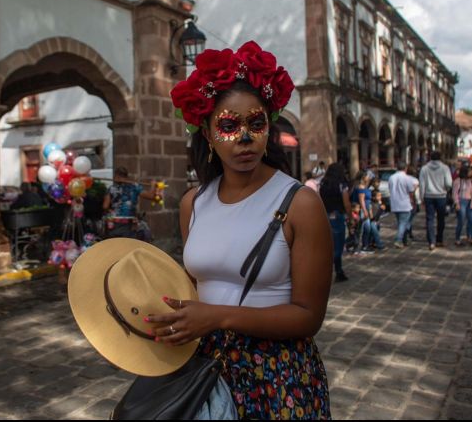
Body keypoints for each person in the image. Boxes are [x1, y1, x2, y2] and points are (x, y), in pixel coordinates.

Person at [153, 41, 332, 419]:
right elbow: (193, 287)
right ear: (206, 132)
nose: (246, 138)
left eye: (256, 123)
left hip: (277, 376)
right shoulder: (193, 204)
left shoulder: (300, 203)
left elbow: (308, 316)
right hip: (204, 372)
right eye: (230, 126)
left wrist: (216, 317)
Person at [102, 167, 158, 239]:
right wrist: (153, 186)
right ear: (126, 176)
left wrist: (110, 210)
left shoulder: (111, 188)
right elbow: (151, 196)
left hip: (114, 223)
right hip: (128, 223)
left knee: (116, 246)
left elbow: (105, 206)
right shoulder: (134, 187)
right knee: (128, 245)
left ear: (116, 176)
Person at [320, 163, 352, 283]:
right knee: (338, 246)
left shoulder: (323, 183)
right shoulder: (341, 185)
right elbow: (346, 203)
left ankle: (338, 271)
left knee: (328, 246)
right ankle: (332, 271)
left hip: (325, 215)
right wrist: (351, 217)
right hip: (337, 216)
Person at [419, 151, 453, 250]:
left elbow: (422, 184)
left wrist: (421, 197)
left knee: (430, 219)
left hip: (428, 196)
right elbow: (449, 183)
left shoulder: (424, 168)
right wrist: (445, 189)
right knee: (441, 218)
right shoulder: (445, 168)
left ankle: (431, 242)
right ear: (440, 158)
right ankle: (439, 239)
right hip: (441, 196)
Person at [389, 161, 418, 249]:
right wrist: (413, 201)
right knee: (404, 223)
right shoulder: (407, 178)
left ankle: (404, 240)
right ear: (405, 168)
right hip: (404, 203)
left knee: (401, 223)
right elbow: (411, 192)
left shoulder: (391, 177)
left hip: (395, 203)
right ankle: (399, 240)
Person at [453, 166, 472, 246]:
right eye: (469, 171)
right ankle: (457, 238)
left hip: (469, 202)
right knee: (461, 221)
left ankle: (471, 237)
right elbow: (455, 193)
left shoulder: (469, 181)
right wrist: (456, 203)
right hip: (461, 201)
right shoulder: (458, 181)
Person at [350, 173, 373, 253]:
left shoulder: (365, 187)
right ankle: (363, 246)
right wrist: (365, 211)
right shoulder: (361, 187)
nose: (369, 177)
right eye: (368, 176)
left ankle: (363, 245)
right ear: (364, 178)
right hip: (362, 210)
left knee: (364, 228)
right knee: (364, 228)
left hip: (364, 209)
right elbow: (361, 200)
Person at [405, 165, 421, 245]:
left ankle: (409, 233)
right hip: (413, 201)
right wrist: (418, 202)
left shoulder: (404, 179)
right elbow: (417, 193)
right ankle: (406, 232)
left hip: (404, 201)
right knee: (410, 219)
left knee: (407, 218)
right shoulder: (415, 181)